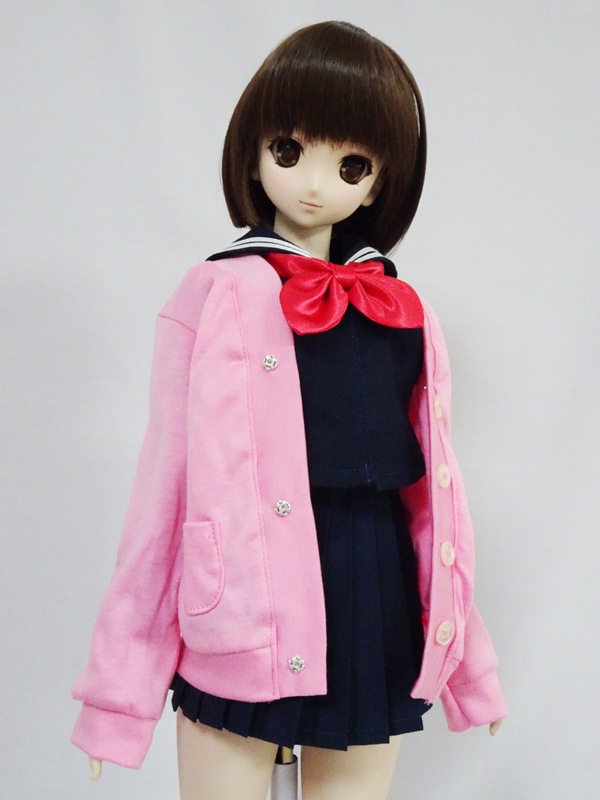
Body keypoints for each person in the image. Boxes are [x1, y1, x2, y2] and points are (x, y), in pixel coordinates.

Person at [70, 20, 507, 800]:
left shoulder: (404, 307)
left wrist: (470, 666)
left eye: (350, 164)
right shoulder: (213, 292)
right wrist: (117, 698)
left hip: (372, 597)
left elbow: (435, 507)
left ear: (379, 182)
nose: (314, 183)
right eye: (288, 150)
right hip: (244, 606)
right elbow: (163, 495)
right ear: (253, 151)